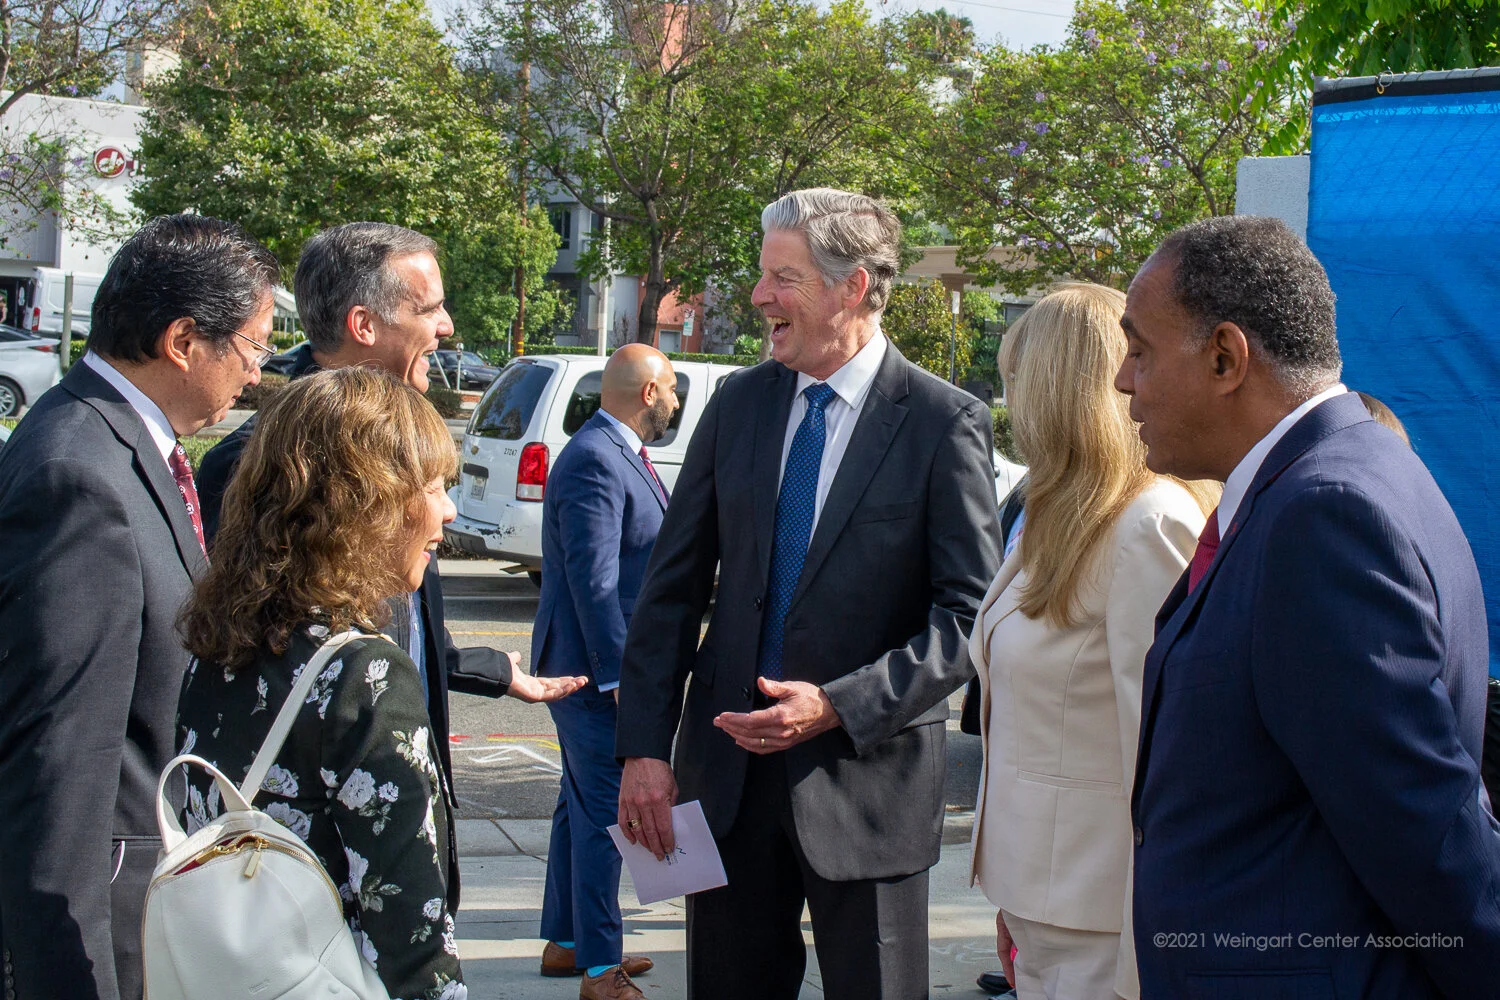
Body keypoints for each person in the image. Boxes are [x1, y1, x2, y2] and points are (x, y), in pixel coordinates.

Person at [615, 188, 1003, 1000]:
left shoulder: (942, 422)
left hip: (868, 791)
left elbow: (969, 618)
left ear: (853, 287)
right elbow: (671, 589)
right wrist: (645, 751)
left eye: (782, 278)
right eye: (763, 276)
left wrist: (837, 705)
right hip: (727, 788)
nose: (760, 296)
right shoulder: (739, 404)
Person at [1119, 216, 1500, 998]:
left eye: (1141, 351)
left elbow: (1425, 827)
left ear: (1225, 357)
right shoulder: (1341, 473)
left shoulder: (1323, 514)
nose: (1124, 381)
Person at [194, 226, 584, 888]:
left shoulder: (397, 442)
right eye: (429, 308)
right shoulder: (265, 462)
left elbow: (402, 630)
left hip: (398, 832)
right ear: (364, 325)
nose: (447, 326)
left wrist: (493, 670)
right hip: (313, 869)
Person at [0, 214, 277, 1000]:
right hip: (102, 934)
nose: (257, 374)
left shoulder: (119, 440)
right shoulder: (78, 477)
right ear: (184, 340)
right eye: (253, 346)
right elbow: (58, 769)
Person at [177, 367, 470, 1000]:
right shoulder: (363, 674)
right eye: (432, 487)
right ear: (366, 503)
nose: (448, 510)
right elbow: (411, 934)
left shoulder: (218, 641)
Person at [968, 284, 1213, 1000]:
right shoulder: (1061, 513)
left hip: (1108, 917)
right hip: (1048, 903)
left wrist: (1146, 953)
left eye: (1016, 380)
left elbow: (1169, 756)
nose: (1008, 403)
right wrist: (1018, 901)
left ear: (1056, 393)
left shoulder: (1149, 522)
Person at [534, 344, 677, 1000]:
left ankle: (568, 943)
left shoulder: (615, 450)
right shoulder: (596, 457)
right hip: (592, 675)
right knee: (603, 815)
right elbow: (594, 583)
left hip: (588, 667)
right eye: (671, 388)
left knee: (576, 806)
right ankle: (600, 970)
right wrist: (621, 683)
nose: (674, 401)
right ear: (648, 392)